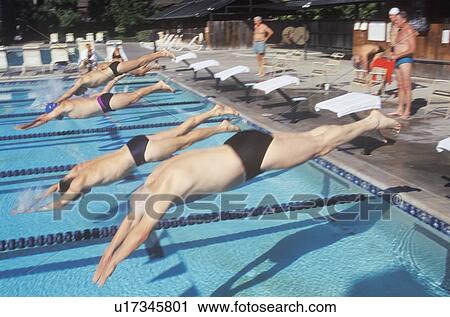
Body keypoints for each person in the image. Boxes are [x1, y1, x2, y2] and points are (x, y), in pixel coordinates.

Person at [92, 110, 401, 286]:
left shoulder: (162, 190)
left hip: (250, 158)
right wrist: (107, 255)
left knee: (319, 145)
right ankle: (367, 123)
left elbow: (141, 231)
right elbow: (132, 222)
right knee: (315, 140)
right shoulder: (154, 178)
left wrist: (114, 263)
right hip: (239, 145)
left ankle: (370, 122)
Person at [13, 105, 240, 212]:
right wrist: (34, 198)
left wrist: (30, 210)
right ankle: (213, 111)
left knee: (186, 140)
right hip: (133, 143)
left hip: (141, 154)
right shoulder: (77, 171)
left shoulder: (81, 183)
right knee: (180, 131)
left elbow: (59, 203)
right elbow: (55, 186)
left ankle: (221, 127)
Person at [15, 76, 174, 130]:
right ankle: (158, 86)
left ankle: (158, 85)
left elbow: (43, 119)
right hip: (103, 101)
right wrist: (115, 80)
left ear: (54, 111)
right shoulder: (68, 105)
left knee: (135, 97)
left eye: (55, 116)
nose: (56, 118)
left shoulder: (63, 107)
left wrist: (27, 126)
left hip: (104, 104)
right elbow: (102, 93)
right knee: (134, 98)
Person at [56, 49, 175, 103]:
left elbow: (68, 93)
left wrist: (57, 102)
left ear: (79, 90)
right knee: (140, 72)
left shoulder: (81, 81)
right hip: (115, 72)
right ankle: (154, 65)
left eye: (81, 92)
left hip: (114, 68)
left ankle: (161, 53)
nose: (83, 93)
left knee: (140, 62)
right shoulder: (88, 84)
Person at [388, 11, 416, 120]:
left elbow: (412, 48)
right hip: (397, 59)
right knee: (400, 86)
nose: (396, 22)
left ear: (404, 20)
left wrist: (397, 55)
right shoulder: (399, 30)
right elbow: (395, 45)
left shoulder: (409, 29)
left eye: (397, 20)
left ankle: (407, 111)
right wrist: (392, 53)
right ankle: (400, 109)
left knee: (406, 86)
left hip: (405, 59)